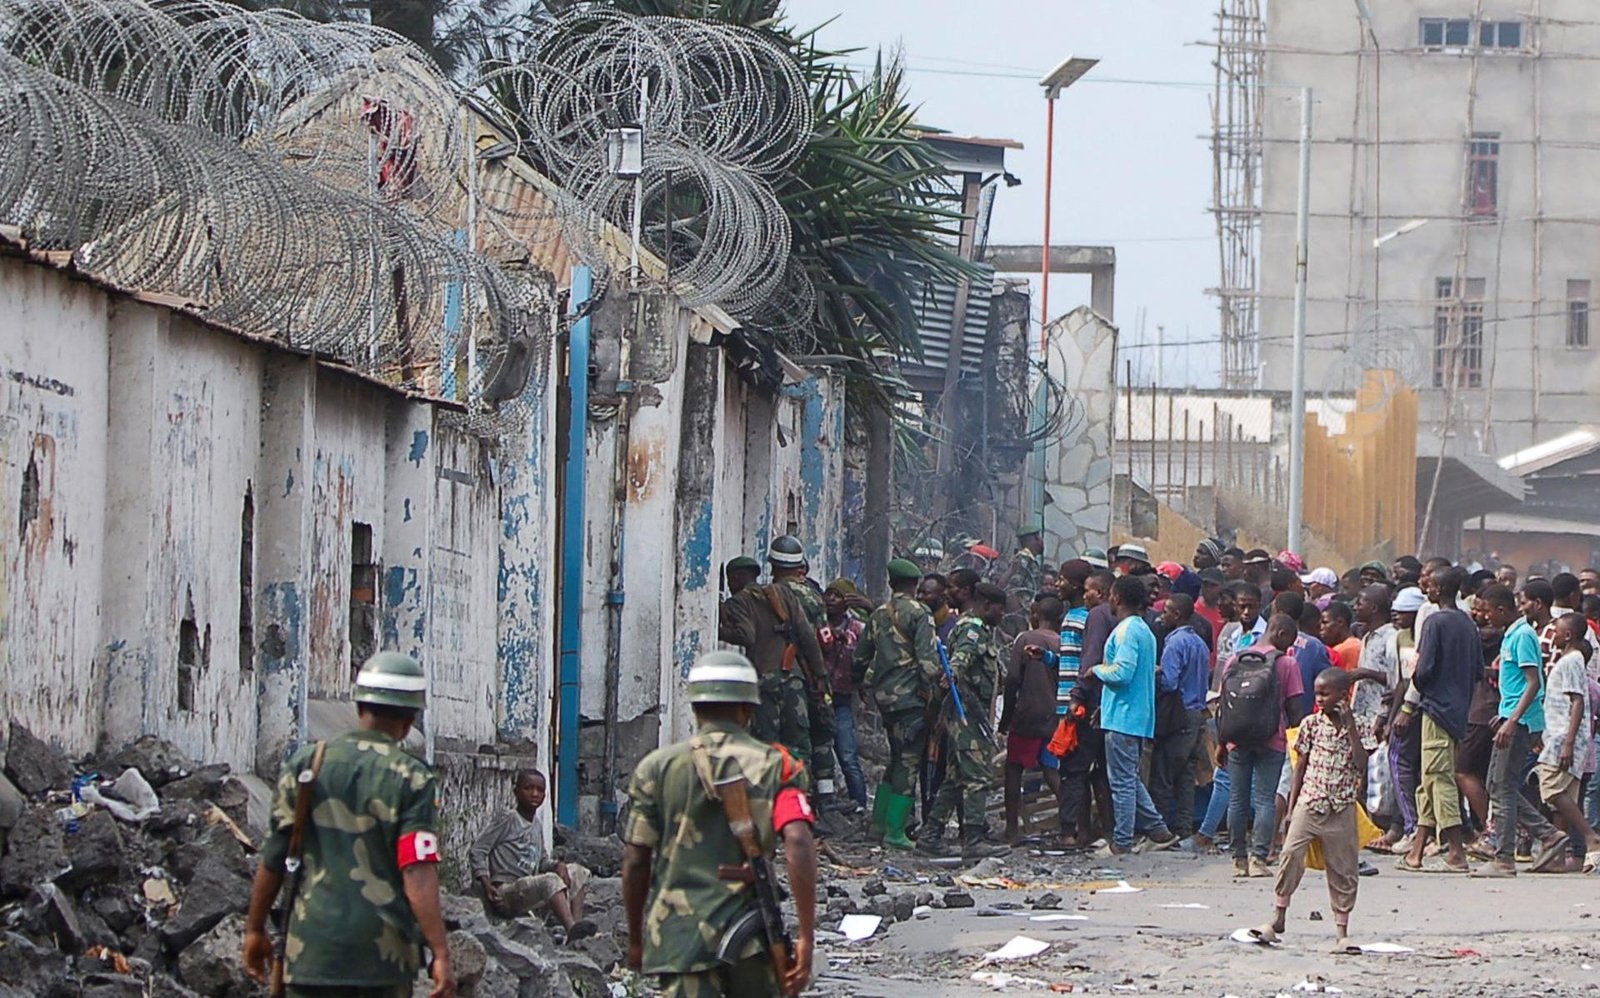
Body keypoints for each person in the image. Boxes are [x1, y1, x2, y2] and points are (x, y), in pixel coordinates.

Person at [243, 653, 455, 998]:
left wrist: (254, 928)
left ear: (359, 707)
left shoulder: (307, 763)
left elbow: (275, 856)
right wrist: (441, 952)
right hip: (382, 960)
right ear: (410, 719)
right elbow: (416, 871)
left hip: (310, 952)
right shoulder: (413, 778)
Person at [622, 651, 816, 998]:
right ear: (748, 709)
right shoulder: (778, 766)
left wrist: (636, 939)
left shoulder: (655, 768)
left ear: (695, 708)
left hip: (678, 938)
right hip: (752, 941)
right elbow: (798, 841)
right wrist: (806, 936)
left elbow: (636, 861)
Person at [1249, 669, 1366, 948]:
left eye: (1326, 694)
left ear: (1343, 695)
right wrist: (1291, 809)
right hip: (1310, 801)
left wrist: (1349, 726)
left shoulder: (1358, 725)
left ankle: (1342, 932)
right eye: (1318, 694)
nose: (1320, 699)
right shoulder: (1311, 724)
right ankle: (1278, 918)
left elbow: (1362, 763)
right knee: (1290, 855)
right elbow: (1299, 767)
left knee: (1343, 869)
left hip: (1341, 806)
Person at [1474, 584, 1566, 877]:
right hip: (1511, 716)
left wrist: (1512, 721)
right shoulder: (1512, 634)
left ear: (1501, 609)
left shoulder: (1523, 636)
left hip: (1521, 722)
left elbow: (1533, 682)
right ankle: (1548, 834)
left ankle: (1504, 857)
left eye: (1488, 611)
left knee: (1502, 788)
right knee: (1498, 785)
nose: (1485, 617)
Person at [1395, 568, 1481, 873]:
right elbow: (1478, 671)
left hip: (1436, 709)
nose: (1426, 590)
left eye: (1430, 585)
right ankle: (1416, 851)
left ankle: (1456, 850)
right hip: (1460, 709)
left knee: (1439, 777)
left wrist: (1412, 683)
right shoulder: (1468, 624)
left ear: (1440, 589)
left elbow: (1425, 669)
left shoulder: (1435, 622)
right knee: (1429, 779)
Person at [918, 583, 1010, 858]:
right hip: (966, 713)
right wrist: (954, 674)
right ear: (985, 605)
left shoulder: (972, 627)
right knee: (978, 775)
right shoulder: (973, 629)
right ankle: (972, 839)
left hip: (968, 712)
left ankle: (931, 834)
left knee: (955, 777)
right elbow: (962, 658)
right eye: (999, 609)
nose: (1002, 615)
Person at [855, 559, 941, 850]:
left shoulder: (879, 614)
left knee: (894, 759)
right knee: (909, 761)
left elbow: (860, 656)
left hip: (885, 699)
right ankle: (895, 831)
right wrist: (933, 697)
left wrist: (861, 686)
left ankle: (878, 825)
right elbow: (928, 664)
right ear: (915, 584)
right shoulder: (920, 614)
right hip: (911, 700)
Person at [1091, 575, 1177, 855]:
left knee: (1122, 783)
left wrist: (1096, 670)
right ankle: (1159, 831)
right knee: (1130, 779)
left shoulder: (1126, 631)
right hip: (1136, 717)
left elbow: (1122, 673)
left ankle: (1123, 842)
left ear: (1116, 598)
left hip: (1123, 718)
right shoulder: (1145, 631)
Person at [719, 549, 823, 778]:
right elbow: (807, 636)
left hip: (765, 682)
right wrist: (820, 675)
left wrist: (719, 631)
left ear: (736, 578)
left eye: (729, 580)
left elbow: (746, 636)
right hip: (793, 678)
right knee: (797, 744)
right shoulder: (782, 593)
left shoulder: (739, 601)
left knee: (765, 744)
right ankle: (797, 799)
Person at [1218, 613, 1305, 876]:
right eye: (1290, 637)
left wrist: (1222, 743)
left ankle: (1238, 860)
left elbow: (1224, 705)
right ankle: (1259, 860)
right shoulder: (1287, 664)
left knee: (1237, 799)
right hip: (1272, 739)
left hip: (1236, 740)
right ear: (1280, 633)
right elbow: (1295, 709)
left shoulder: (1236, 659)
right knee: (1265, 799)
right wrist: (1298, 743)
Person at [471, 770, 595, 939]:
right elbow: (478, 850)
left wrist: (558, 866)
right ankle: (571, 928)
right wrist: (486, 884)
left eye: (540, 790)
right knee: (550, 881)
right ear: (516, 792)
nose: (534, 794)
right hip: (507, 891)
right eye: (528, 788)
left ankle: (578, 930)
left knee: (579, 872)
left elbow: (542, 861)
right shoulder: (508, 819)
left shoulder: (536, 824)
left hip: (530, 890)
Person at [769, 536, 843, 819]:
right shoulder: (811, 596)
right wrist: (821, 676)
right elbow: (823, 639)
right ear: (800, 567)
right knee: (819, 735)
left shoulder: (769, 593)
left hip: (780, 676)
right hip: (810, 675)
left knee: (785, 739)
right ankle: (819, 799)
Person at [1535, 614, 1600, 871]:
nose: (1553, 637)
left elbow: (1577, 701)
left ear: (1569, 635)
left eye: (1557, 632)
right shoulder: (1567, 660)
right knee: (1563, 799)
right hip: (1558, 734)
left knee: (1550, 789)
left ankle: (1590, 836)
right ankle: (1557, 859)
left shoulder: (1572, 660)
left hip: (1564, 735)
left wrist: (1569, 742)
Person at [1001, 594, 1067, 843]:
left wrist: (1006, 717)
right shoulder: (1062, 642)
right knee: (1051, 769)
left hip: (1026, 715)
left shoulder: (1025, 639)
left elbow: (1012, 680)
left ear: (1035, 614)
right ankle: (1068, 823)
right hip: (1053, 716)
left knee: (1014, 768)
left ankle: (1011, 830)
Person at [1150, 594, 1210, 840]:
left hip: (1178, 714)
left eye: (1166, 612)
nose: (1162, 616)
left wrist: (1155, 674)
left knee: (1163, 774)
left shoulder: (1174, 644)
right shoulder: (1200, 644)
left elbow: (1170, 683)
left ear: (1177, 615)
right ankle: (1184, 829)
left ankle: (1161, 830)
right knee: (1186, 776)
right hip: (1197, 713)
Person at [821, 579, 869, 812]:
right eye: (828, 594)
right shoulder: (817, 626)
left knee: (847, 755)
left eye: (837, 596)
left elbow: (872, 651)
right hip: (817, 698)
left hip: (842, 699)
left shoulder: (858, 629)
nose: (831, 599)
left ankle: (859, 804)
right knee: (819, 755)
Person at [1004, 521, 1046, 598]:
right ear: (1036, 537)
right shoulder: (1023, 560)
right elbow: (1013, 589)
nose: (1042, 541)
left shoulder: (1029, 559)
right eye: (1040, 537)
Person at [1320, 601, 1363, 673]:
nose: (1321, 627)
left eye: (1325, 622)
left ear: (1340, 622)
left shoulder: (1343, 650)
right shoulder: (1357, 643)